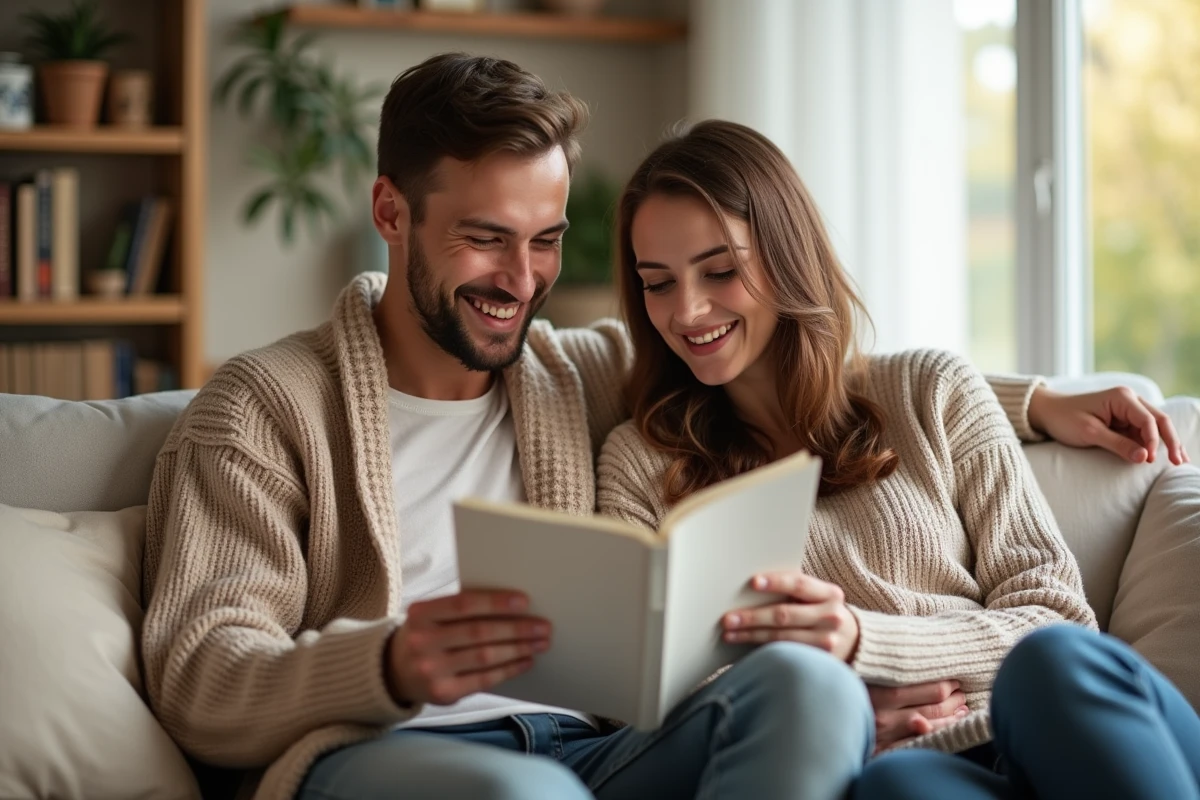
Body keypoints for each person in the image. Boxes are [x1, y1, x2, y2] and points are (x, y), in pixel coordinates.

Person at [140, 54, 1185, 800]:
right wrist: (388, 663)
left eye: (545, 240)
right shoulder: (260, 409)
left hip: (595, 750)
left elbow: (788, 362)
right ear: (390, 212)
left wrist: (1036, 399)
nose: (521, 280)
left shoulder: (569, 371)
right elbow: (197, 675)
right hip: (385, 748)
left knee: (805, 685)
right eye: (484, 239)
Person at [593, 118, 1199, 799]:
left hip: (1051, 721)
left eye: (721, 271)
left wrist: (866, 644)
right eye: (657, 283)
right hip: (906, 766)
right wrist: (841, 709)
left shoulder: (930, 390)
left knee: (1051, 662)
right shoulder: (642, 462)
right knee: (897, 788)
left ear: (788, 256)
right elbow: (650, 690)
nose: (687, 310)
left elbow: (1057, 615)